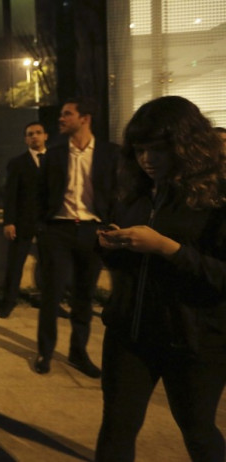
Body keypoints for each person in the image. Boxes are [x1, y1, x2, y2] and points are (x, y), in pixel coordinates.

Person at [95, 96, 226, 462]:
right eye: (139, 150)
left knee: (198, 431)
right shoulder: (135, 189)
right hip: (130, 332)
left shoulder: (217, 195)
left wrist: (166, 247)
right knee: (117, 427)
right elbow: (127, 264)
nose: (147, 160)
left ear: (188, 145)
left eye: (158, 150)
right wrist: (110, 244)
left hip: (195, 340)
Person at [35, 97, 118, 377]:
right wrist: (41, 229)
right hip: (58, 230)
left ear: (85, 118)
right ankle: (44, 352)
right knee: (52, 294)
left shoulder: (109, 154)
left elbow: (118, 193)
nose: (61, 119)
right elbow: (41, 194)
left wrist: (109, 226)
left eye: (67, 114)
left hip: (92, 231)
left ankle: (78, 353)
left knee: (84, 296)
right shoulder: (55, 154)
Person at [0, 122, 48, 318]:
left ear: (45, 136)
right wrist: (9, 222)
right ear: (26, 139)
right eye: (30, 134)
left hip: (49, 223)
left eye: (38, 133)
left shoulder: (56, 160)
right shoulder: (17, 163)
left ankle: (49, 301)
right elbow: (10, 195)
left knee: (49, 265)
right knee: (15, 265)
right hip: (23, 222)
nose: (34, 136)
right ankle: (8, 302)